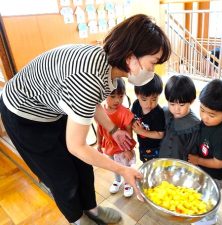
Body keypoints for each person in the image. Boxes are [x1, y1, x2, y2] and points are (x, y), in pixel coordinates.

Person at [0, 14, 171, 225]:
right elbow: (77, 145)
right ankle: (79, 220)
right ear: (131, 56)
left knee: (83, 166)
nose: (153, 71)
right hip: (24, 115)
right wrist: (122, 170)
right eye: (153, 63)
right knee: (62, 177)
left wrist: (113, 129)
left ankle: (93, 209)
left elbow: (90, 102)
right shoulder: (87, 78)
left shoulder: (107, 65)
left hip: (53, 108)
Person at [188, 80, 222, 225]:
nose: (204, 117)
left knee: (210, 198)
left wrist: (197, 161)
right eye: (202, 110)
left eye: (211, 115)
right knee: (200, 194)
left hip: (216, 176)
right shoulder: (207, 122)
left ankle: (209, 219)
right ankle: (202, 214)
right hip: (203, 169)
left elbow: (219, 163)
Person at [97, 78, 136, 198]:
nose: (117, 100)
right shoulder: (101, 111)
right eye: (112, 96)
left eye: (120, 96)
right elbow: (99, 129)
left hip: (122, 147)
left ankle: (128, 182)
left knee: (124, 165)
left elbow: (129, 133)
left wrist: (128, 149)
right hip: (109, 146)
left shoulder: (124, 112)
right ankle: (118, 180)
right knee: (114, 164)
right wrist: (99, 144)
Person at [159, 75, 201, 161]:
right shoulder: (164, 113)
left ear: (191, 101)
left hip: (181, 166)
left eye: (182, 105)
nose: (176, 109)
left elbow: (193, 151)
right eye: (172, 104)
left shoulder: (194, 125)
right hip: (162, 161)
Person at [131, 73, 165, 163]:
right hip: (142, 145)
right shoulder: (136, 104)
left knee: (155, 166)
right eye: (144, 99)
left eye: (154, 99)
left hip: (155, 148)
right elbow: (132, 118)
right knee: (145, 162)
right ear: (137, 94)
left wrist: (142, 131)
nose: (149, 104)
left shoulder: (158, 113)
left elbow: (160, 134)